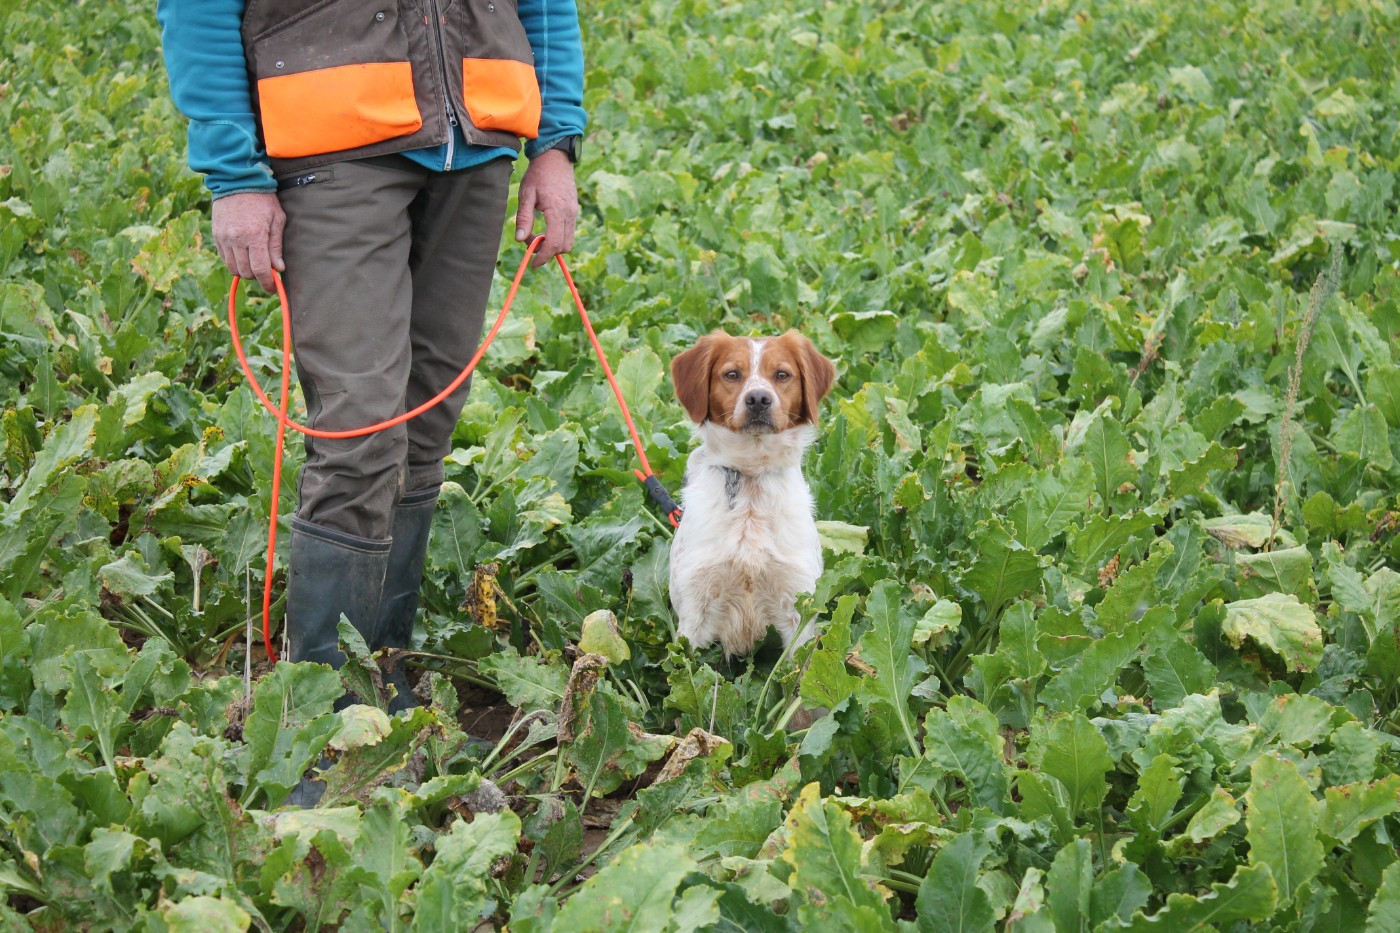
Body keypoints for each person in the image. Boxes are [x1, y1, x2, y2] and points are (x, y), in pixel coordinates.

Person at [157, 0, 585, 713]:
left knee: (428, 422)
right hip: (330, 149)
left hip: (477, 145)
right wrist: (234, 173)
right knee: (360, 429)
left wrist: (554, 141)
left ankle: (387, 681)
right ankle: (322, 718)